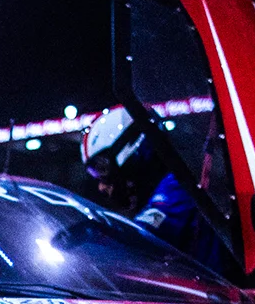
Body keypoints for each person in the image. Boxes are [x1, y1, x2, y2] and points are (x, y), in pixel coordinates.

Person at [80, 104, 238, 274]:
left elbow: (140, 239)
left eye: (102, 169)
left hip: (219, 286)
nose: (101, 187)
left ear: (133, 147)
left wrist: (88, 236)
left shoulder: (178, 186)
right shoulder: (171, 184)